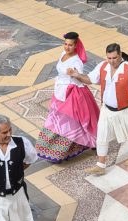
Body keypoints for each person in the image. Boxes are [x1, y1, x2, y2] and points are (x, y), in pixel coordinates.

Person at [68, 43, 128, 176]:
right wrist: (77, 75)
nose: (111, 61)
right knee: (102, 136)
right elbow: (90, 79)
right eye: (109, 58)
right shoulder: (103, 66)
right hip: (106, 109)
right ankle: (101, 165)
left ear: (120, 55)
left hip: (125, 109)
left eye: (114, 58)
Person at [35, 32, 99, 163]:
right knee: (58, 120)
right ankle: (54, 150)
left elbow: (80, 77)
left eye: (70, 45)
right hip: (60, 92)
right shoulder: (62, 54)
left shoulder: (76, 61)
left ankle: (61, 152)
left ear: (76, 46)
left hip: (72, 94)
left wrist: (75, 74)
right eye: (65, 44)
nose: (67, 47)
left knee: (68, 123)